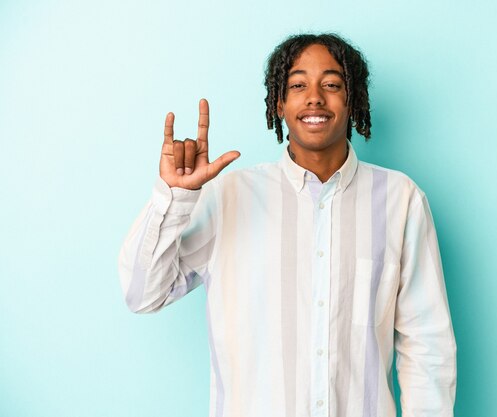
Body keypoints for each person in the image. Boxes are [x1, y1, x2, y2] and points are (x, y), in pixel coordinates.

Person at [119, 33, 456, 417]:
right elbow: (141, 294)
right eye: (298, 85)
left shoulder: (401, 200)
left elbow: (427, 346)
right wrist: (174, 197)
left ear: (353, 100)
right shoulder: (228, 196)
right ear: (279, 103)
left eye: (331, 84)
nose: (314, 97)